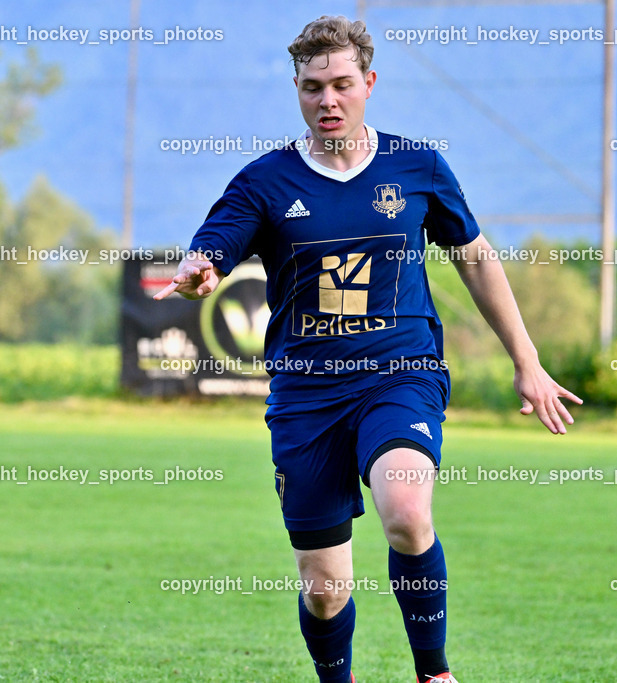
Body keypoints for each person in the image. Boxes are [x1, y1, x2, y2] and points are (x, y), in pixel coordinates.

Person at [154, 15, 582, 683]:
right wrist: (199, 268)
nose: (327, 100)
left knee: (407, 511)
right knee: (326, 589)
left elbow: (475, 258)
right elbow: (213, 245)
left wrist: (527, 362)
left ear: (369, 84)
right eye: (312, 87)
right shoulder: (264, 182)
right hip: (307, 395)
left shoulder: (417, 166)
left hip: (399, 374)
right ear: (297, 90)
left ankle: (434, 673)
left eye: (342, 84)